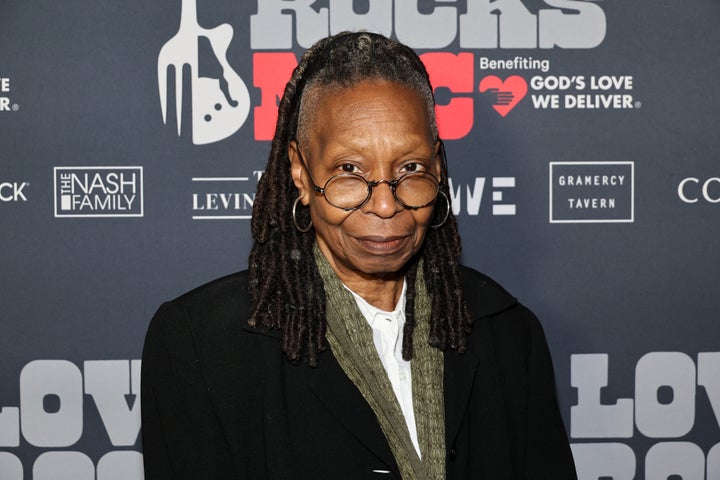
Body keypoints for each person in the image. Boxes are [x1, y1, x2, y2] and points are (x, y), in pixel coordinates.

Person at [141, 32, 577, 480]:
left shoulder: (505, 332)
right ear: (300, 169)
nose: (386, 205)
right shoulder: (200, 346)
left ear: (439, 166)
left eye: (410, 168)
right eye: (350, 171)